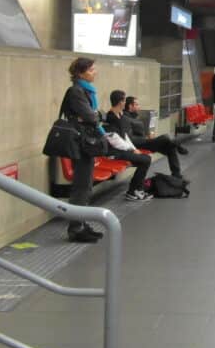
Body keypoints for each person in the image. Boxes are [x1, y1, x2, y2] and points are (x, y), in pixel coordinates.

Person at [59, 58, 106, 243]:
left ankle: (82, 223)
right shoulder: (76, 92)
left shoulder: (86, 91)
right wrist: (96, 116)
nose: (95, 72)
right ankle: (75, 228)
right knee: (81, 186)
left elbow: (93, 115)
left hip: (87, 143)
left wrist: (95, 116)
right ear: (81, 73)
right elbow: (91, 117)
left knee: (86, 185)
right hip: (81, 143)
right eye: (92, 69)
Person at [102, 91, 153, 201]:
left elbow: (124, 136)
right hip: (113, 153)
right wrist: (131, 150)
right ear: (120, 102)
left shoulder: (119, 115)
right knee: (145, 160)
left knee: (145, 159)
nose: (125, 103)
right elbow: (115, 140)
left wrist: (134, 149)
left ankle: (135, 189)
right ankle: (133, 191)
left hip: (121, 150)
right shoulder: (109, 118)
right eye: (124, 100)